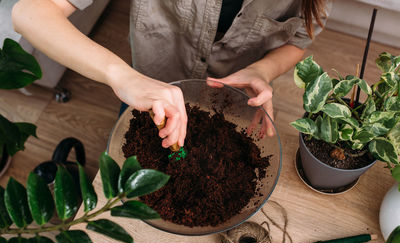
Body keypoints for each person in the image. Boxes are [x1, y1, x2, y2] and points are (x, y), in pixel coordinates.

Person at [12, 0, 331, 148]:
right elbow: (30, 13)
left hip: (231, 106)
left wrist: (262, 69)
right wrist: (123, 77)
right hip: (147, 94)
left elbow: (299, 39)